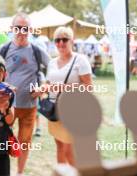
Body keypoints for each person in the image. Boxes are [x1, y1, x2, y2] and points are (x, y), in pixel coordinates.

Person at [0, 12, 50, 175]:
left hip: (29, 107)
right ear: (12, 28)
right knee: (3, 143)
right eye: (18, 28)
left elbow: (53, 69)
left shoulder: (37, 50)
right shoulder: (2, 50)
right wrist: (0, 86)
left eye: (25, 28)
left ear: (30, 30)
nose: (21, 31)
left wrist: (43, 87)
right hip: (7, 108)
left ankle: (19, 173)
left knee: (25, 143)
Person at [32, 26, 92, 165]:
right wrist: (41, 89)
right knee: (59, 147)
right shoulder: (52, 62)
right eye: (57, 40)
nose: (60, 43)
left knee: (69, 150)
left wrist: (63, 87)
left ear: (72, 41)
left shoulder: (80, 60)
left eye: (64, 39)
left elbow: (89, 87)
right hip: (54, 111)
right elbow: (48, 84)